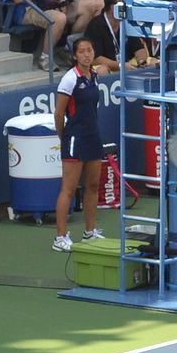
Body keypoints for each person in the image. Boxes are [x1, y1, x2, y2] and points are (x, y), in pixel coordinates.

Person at [51, 36, 116, 252]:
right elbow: (59, 113)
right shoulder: (69, 79)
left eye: (90, 50)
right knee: (68, 190)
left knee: (92, 186)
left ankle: (90, 232)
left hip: (93, 137)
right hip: (75, 139)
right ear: (74, 55)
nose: (87, 55)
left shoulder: (94, 76)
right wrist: (65, 137)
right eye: (82, 51)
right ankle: (60, 238)